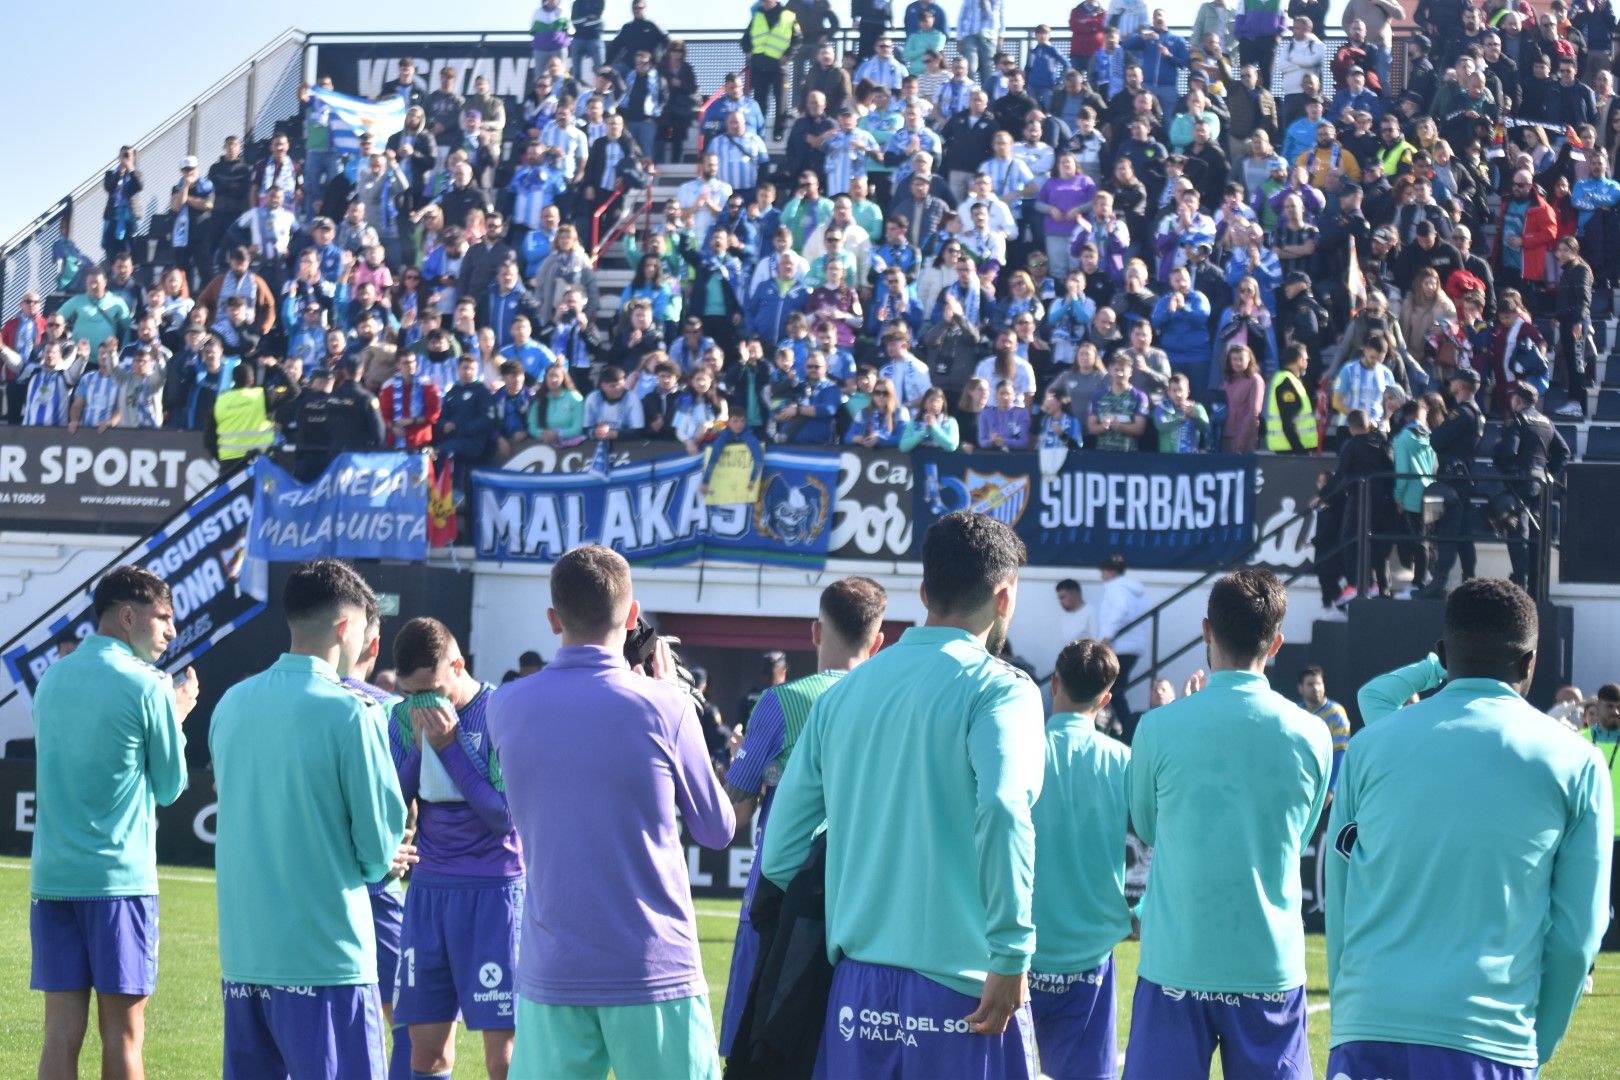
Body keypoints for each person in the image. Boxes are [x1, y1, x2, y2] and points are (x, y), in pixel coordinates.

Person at [761, 510, 1044, 1075]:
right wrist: (1011, 951)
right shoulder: (1000, 691)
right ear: (1005, 597)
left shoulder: (841, 696)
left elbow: (780, 853)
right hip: (967, 989)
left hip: (856, 989)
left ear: (923, 591)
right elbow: (1005, 807)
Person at [1330, 581, 1612, 1078]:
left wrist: (1352, 1011)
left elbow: (1341, 892)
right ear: (1529, 664)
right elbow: (1576, 937)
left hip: (1367, 1030)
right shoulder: (1578, 761)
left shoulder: (1370, 747)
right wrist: (1535, 1044)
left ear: (1443, 653)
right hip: (1491, 1039)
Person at [487, 545, 734, 1078]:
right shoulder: (665, 705)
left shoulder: (504, 706)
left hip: (554, 967)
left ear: (553, 619)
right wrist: (673, 701)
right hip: (652, 967)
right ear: (631, 615)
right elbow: (718, 829)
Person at [1123, 568, 1331, 1080]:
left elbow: (1148, 828)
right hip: (1267, 964)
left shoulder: (1157, 727)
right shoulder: (1311, 733)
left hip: (1176, 959)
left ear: (1206, 630)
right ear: (1277, 642)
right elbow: (1299, 835)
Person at [210, 559, 408, 1079]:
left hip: (246, 957)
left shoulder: (231, 704)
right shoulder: (351, 713)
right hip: (327, 959)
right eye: (367, 631)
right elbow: (378, 851)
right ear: (346, 627)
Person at [30, 566, 201, 1080]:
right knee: (124, 1037)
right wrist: (177, 713)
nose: (172, 631)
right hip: (118, 885)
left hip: (53, 881)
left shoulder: (52, 678)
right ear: (128, 616)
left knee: (59, 1035)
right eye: (164, 618)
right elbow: (170, 786)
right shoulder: (149, 686)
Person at [719, 577, 889, 1058]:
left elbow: (735, 804)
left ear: (816, 632)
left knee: (758, 1042)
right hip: (861, 896)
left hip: (780, 894)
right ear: (877, 642)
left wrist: (739, 763)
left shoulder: (780, 703)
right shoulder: (889, 703)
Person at [385, 617, 522, 1080]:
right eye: (411, 694)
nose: (422, 704)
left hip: (494, 895)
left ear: (458, 666)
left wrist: (449, 747)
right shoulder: (402, 719)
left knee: (502, 1061)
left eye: (434, 692)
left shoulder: (500, 712)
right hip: (428, 895)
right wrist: (421, 751)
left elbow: (504, 816)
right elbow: (392, 806)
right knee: (423, 1056)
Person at [1029, 639, 1131, 1080]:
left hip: (1017, 950)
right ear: (1105, 699)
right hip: (1089, 954)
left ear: (1053, 684)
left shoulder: (1017, 751)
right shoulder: (1123, 761)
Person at [1492, 385, 1570, 597]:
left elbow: (1508, 452)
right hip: (1540, 485)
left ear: (1518, 400)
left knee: (1518, 533)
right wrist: (1549, 474)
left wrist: (1507, 469)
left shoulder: (1518, 421)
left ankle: (1520, 582)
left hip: (1519, 482)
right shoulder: (1547, 422)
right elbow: (1564, 452)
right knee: (1537, 536)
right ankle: (1535, 587)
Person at [1581, 684, 1620, 951]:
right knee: (1592, 901)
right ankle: (1590, 960)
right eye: (1610, 706)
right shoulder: (1581, 740)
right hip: (1593, 834)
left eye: (1619, 707)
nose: (1616, 712)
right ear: (1599, 705)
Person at [1096, 553, 1149, 740]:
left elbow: (1120, 609)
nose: (1101, 576)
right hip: (1133, 647)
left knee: (1111, 691)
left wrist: (1106, 637)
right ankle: (1123, 729)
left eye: (1102, 571)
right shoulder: (1133, 590)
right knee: (1114, 690)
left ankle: (1129, 732)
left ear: (1109, 571)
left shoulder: (1115, 588)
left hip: (1120, 646)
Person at [1297, 664, 1350, 791]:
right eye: (1310, 684)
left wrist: (1331, 788)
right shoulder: (1294, 712)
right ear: (1301, 688)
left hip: (1326, 785)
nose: (1316, 688)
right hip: (1300, 783)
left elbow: (1341, 752)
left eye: (1319, 683)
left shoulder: (1336, 712)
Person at [1056, 578, 1100, 643]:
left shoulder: (1091, 613)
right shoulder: (1066, 616)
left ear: (1074, 594)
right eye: (1059, 599)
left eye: (1063, 597)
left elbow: (1099, 643)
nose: (1061, 602)